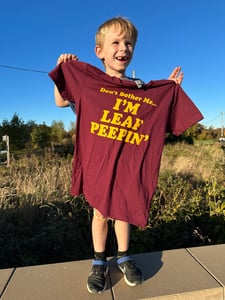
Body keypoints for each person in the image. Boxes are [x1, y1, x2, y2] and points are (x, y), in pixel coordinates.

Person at [49, 17, 203, 294]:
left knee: (124, 213)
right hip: (99, 164)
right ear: (100, 52)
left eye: (129, 42)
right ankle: (99, 262)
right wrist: (63, 68)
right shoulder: (87, 84)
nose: (124, 47)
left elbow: (156, 114)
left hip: (128, 166)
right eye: (116, 42)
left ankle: (124, 256)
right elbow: (61, 101)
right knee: (100, 213)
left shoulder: (140, 89)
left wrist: (166, 91)